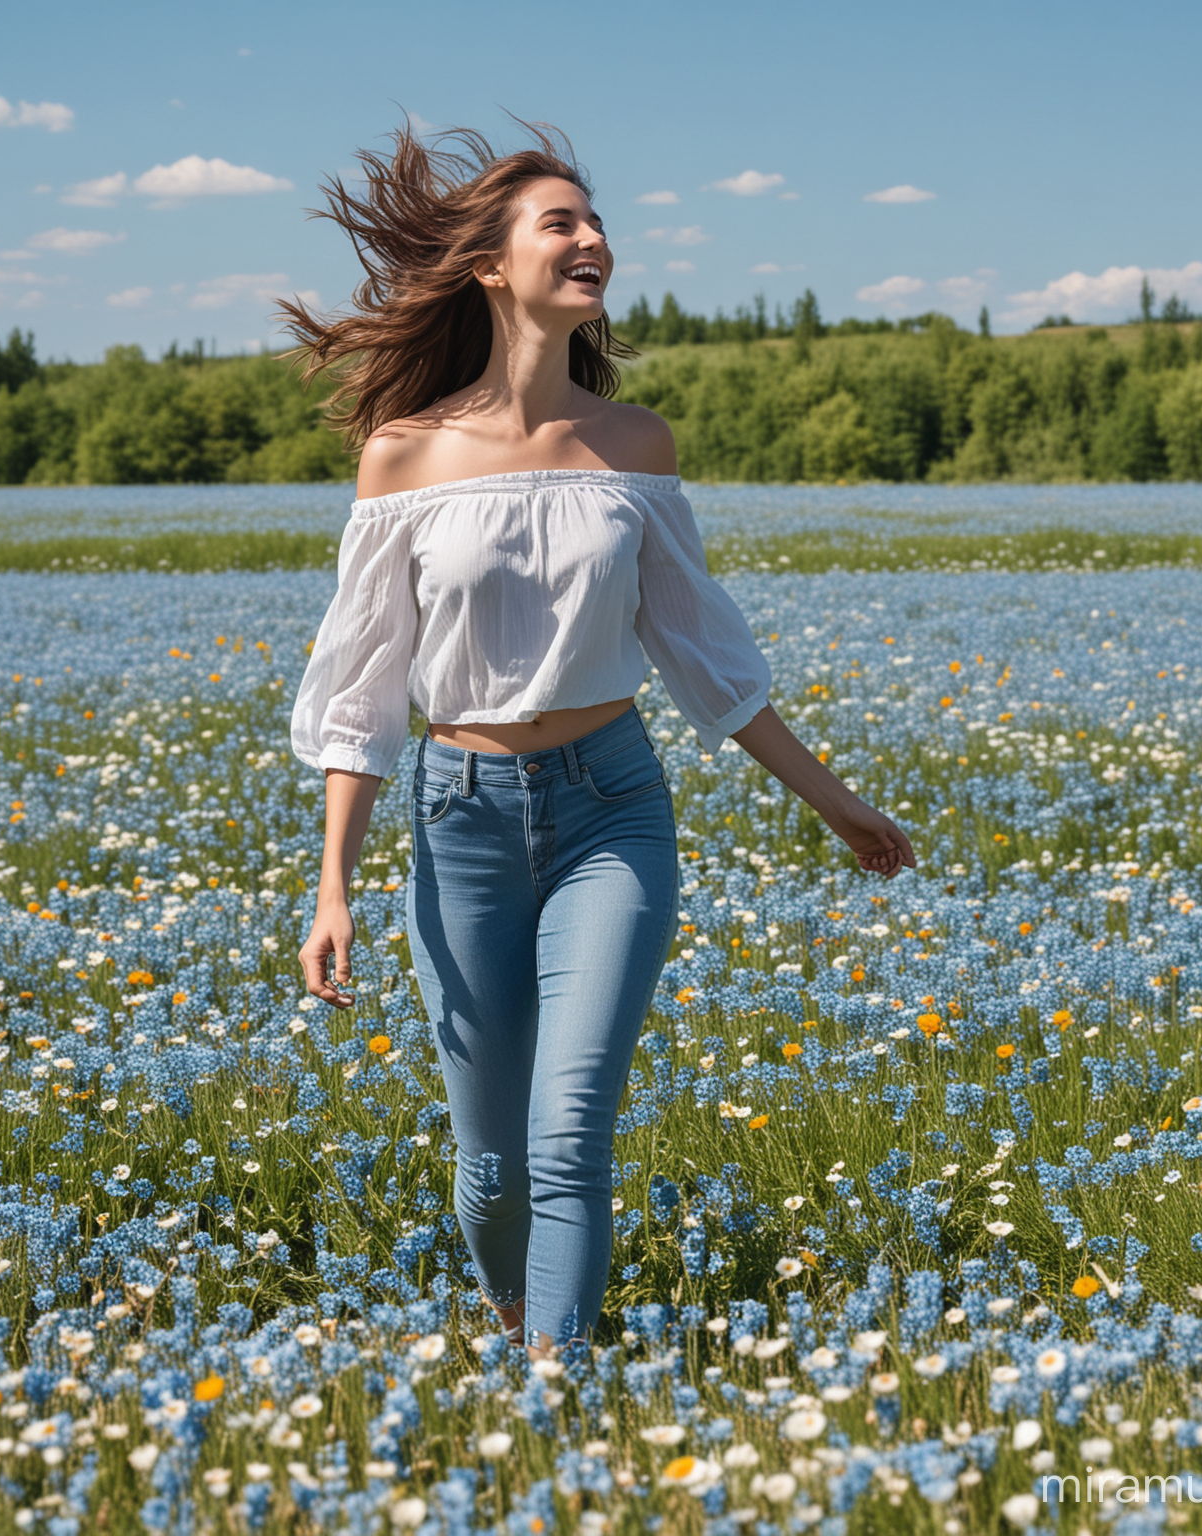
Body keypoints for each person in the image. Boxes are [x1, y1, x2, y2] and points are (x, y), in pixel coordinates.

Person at [284, 119, 916, 1360]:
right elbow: (360, 690)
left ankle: (550, 1393)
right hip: (460, 817)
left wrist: (832, 800)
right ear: (489, 263)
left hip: (613, 809)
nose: (592, 241)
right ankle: (517, 1317)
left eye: (594, 222)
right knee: (491, 1166)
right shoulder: (402, 456)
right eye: (559, 223)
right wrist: (334, 886)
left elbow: (705, 656)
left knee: (569, 1131)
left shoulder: (634, 448)